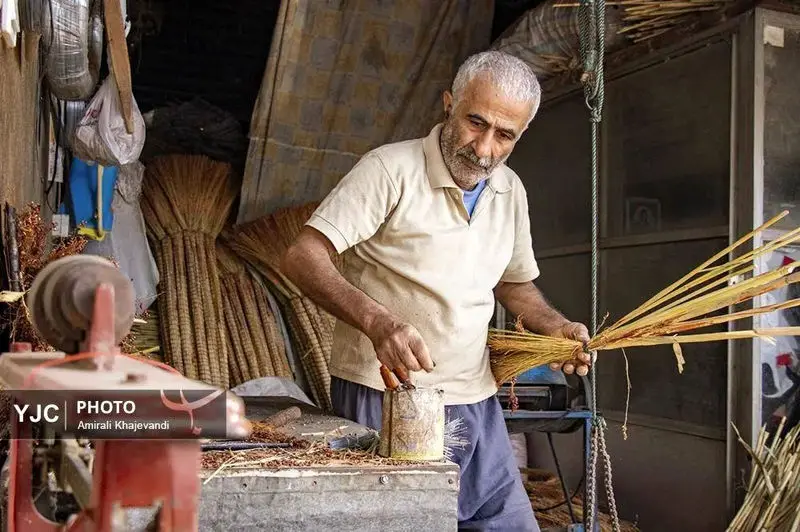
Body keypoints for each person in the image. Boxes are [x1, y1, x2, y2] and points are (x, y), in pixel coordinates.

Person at [282, 50, 592, 531]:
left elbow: (514, 284)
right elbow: (303, 255)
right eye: (475, 122)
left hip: (475, 396)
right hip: (384, 394)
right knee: (398, 522)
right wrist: (377, 321)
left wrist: (556, 327)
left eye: (504, 135)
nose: (484, 148)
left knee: (505, 523)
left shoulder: (510, 190)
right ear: (449, 104)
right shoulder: (389, 170)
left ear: (521, 134)